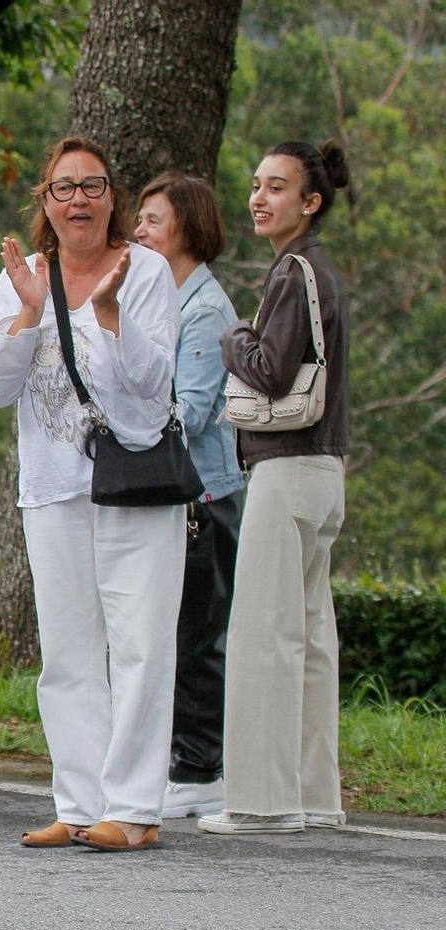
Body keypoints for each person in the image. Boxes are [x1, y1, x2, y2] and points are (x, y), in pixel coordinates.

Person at [0, 137, 183, 851]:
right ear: (46, 202)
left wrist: (115, 316)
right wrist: (29, 315)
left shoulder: (146, 271)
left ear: (111, 197)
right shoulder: (23, 276)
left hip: (136, 482)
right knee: (66, 651)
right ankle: (80, 801)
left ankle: (134, 807)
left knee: (140, 645)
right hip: (53, 485)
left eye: (91, 186)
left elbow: (155, 390)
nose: (78, 200)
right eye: (63, 189)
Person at [200, 140, 352, 836]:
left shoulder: (292, 273)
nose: (260, 197)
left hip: (285, 464)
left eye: (278, 187)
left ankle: (262, 799)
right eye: (258, 184)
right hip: (326, 467)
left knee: (266, 632)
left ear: (310, 202)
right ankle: (316, 794)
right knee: (312, 636)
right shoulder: (323, 269)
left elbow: (266, 367)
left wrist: (233, 335)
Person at [132, 174, 243, 820]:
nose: (139, 230)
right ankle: (182, 759)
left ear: (187, 229)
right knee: (174, 629)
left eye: (152, 220)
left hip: (205, 495)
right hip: (176, 494)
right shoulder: (166, 299)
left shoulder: (202, 309)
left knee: (198, 632)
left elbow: (193, 411)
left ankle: (201, 766)